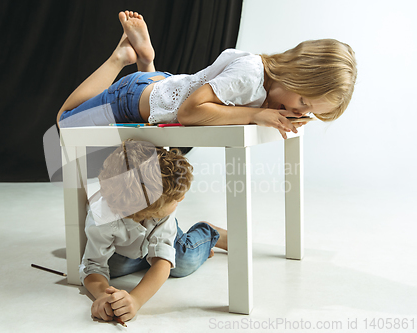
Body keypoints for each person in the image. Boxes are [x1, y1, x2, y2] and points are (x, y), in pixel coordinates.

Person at [56, 11, 357, 139]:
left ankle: (147, 61)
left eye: (309, 113)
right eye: (303, 100)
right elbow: (188, 112)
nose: (297, 112)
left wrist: (267, 113)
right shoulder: (251, 74)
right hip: (133, 98)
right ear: (294, 73)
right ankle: (120, 58)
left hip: (160, 92)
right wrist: (254, 116)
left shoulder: (267, 92)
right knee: (65, 124)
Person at [82, 139, 227, 323]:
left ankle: (209, 233)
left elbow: (162, 262)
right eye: (175, 200)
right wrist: (103, 295)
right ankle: (146, 261)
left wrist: (135, 299)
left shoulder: (161, 206)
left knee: (184, 262)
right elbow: (92, 265)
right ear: (146, 212)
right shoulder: (102, 216)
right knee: (113, 269)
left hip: (158, 240)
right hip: (125, 250)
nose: (181, 199)